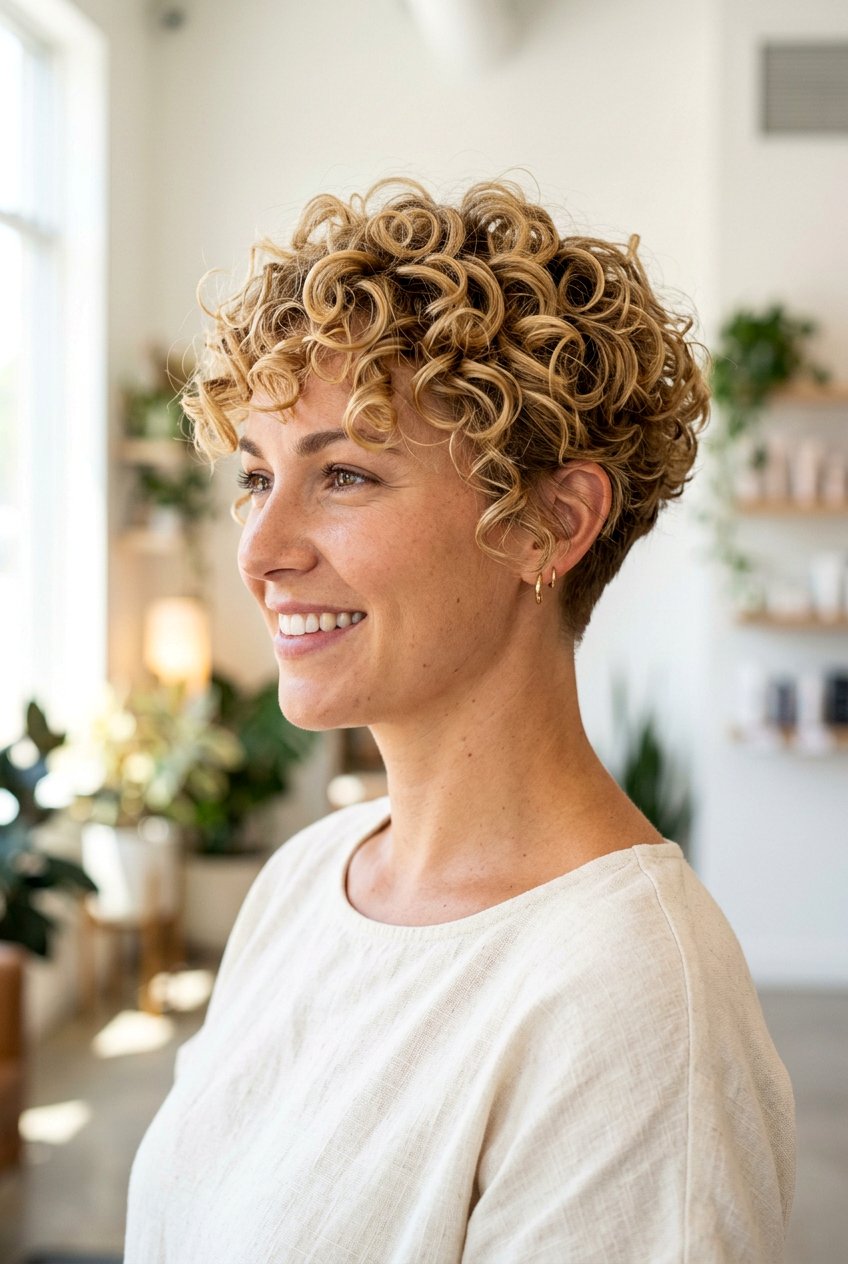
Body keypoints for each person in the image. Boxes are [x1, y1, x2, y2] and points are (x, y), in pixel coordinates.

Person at [124, 180, 795, 1262]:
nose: (259, 549)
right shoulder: (309, 879)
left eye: (342, 473)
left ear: (549, 522)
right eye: (256, 475)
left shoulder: (630, 1006)